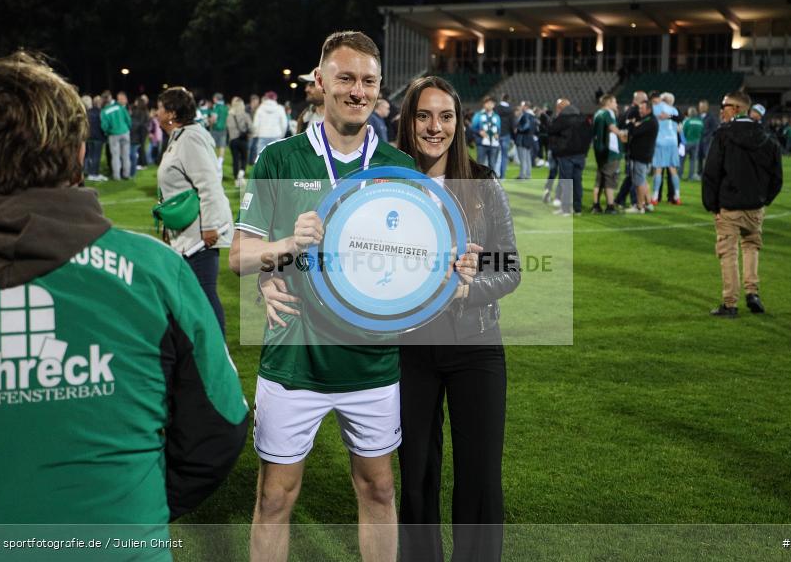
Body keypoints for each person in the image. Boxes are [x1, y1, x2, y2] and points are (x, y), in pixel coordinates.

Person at [0, 53, 248, 542]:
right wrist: (136, 502)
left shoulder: (161, 269)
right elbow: (221, 427)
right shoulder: (156, 270)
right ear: (77, 154)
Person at [230, 31, 414, 562]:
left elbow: (417, 261)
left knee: (379, 489)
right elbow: (239, 255)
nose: (358, 91)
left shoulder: (399, 167)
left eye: (369, 81)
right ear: (320, 82)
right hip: (295, 357)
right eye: (346, 78)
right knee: (274, 497)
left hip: (371, 358)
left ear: (379, 87)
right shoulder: (279, 159)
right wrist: (286, 246)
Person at [394, 75, 519, 562]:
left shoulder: (483, 181)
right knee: (416, 475)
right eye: (424, 115)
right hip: (409, 347)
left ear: (458, 123)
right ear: (408, 121)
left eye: (446, 116)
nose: (435, 127)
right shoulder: (388, 182)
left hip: (475, 345)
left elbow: (509, 265)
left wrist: (469, 286)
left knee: (481, 476)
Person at [156, 87, 234, 333]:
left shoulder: (190, 138)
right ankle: (198, 346)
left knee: (204, 293)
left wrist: (209, 226)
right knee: (191, 295)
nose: (156, 113)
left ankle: (218, 349)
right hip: (187, 231)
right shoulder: (179, 137)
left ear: (171, 113)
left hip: (199, 234)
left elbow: (209, 184)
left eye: (159, 108)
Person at [702, 91, 783, 317]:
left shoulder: (723, 135)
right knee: (751, 247)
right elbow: (777, 178)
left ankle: (730, 303)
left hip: (729, 206)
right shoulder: (767, 138)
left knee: (728, 253)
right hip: (755, 207)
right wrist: (763, 200)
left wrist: (712, 205)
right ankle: (752, 293)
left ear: (736, 109)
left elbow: (711, 173)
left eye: (724, 106)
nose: (721, 110)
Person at [550, 98, 591, 215]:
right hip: (580, 154)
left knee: (566, 181)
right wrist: (585, 151)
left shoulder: (562, 119)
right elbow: (589, 135)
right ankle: (577, 208)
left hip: (566, 154)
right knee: (577, 181)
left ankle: (566, 208)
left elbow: (551, 130)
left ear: (560, 108)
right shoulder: (583, 118)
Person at [591, 94, 624, 213]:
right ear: (608, 102)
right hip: (610, 151)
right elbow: (612, 127)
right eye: (614, 102)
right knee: (610, 179)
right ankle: (610, 206)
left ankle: (596, 205)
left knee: (599, 179)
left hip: (599, 150)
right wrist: (622, 134)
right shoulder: (608, 113)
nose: (616, 104)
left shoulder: (597, 113)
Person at [614, 91, 648, 208]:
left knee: (631, 176)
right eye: (644, 100)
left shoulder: (627, 111)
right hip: (634, 148)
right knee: (635, 176)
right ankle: (635, 202)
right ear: (638, 100)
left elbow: (620, 126)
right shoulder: (635, 112)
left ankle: (619, 199)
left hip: (628, 147)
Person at [626, 98, 658, 214]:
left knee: (639, 182)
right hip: (644, 155)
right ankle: (648, 204)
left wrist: (631, 124)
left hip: (641, 155)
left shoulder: (650, 121)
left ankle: (639, 206)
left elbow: (634, 132)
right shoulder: (648, 120)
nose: (639, 110)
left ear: (649, 109)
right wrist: (635, 125)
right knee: (642, 180)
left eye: (642, 108)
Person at [651, 92, 681, 205]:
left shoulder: (655, 108)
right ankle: (677, 196)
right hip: (673, 142)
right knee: (673, 170)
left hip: (660, 141)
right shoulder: (674, 110)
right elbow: (679, 123)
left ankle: (655, 197)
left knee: (658, 170)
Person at [100, 91, 132, 180]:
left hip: (113, 135)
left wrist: (108, 132)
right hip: (125, 132)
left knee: (115, 156)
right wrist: (127, 128)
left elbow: (104, 126)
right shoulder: (119, 106)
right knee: (126, 155)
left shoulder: (104, 111)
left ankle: (117, 176)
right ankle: (126, 174)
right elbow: (128, 119)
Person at [252, 90, 288, 159]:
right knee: (275, 159)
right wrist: (282, 135)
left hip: (263, 135)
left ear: (266, 98)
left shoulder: (260, 108)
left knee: (261, 159)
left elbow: (256, 123)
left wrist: (256, 134)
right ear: (275, 98)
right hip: (276, 135)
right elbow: (284, 124)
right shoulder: (279, 108)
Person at [470, 96, 501, 171]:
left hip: (493, 143)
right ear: (484, 104)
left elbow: (499, 129)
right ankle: (479, 178)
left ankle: (491, 178)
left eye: (491, 103)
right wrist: (479, 132)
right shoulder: (478, 115)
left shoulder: (496, 116)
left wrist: (497, 134)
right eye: (487, 103)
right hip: (481, 143)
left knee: (492, 164)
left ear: (494, 105)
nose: (489, 105)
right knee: (480, 164)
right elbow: (473, 127)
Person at [228, 96, 252, 186]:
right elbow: (251, 128)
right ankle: (241, 173)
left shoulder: (229, 116)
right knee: (244, 158)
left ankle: (236, 180)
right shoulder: (245, 115)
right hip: (243, 140)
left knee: (235, 159)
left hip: (233, 140)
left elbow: (228, 128)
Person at [84, 94, 108, 182]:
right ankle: (94, 174)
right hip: (98, 137)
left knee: (90, 156)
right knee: (96, 157)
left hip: (89, 137)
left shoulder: (87, 112)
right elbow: (104, 126)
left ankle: (90, 172)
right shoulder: (101, 112)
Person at [295, 67, 325, 134]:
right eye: (307, 85)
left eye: (312, 85)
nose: (306, 90)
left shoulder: (343, 120)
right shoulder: (305, 115)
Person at [514, 101, 536, 180]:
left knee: (522, 158)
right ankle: (528, 174)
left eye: (522, 106)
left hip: (523, 139)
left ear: (526, 106)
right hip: (529, 138)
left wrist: (518, 129)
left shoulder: (526, 115)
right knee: (527, 158)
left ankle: (522, 175)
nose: (521, 107)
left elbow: (526, 126)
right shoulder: (533, 115)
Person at [495, 93, 515, 178]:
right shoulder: (511, 109)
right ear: (508, 99)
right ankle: (502, 176)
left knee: (495, 155)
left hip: (497, 134)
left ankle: (496, 174)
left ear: (502, 98)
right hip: (506, 134)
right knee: (504, 155)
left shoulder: (496, 108)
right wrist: (513, 136)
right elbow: (512, 124)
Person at [697, 100, 718, 177]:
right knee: (699, 157)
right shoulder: (697, 117)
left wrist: (708, 136)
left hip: (707, 141)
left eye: (703, 106)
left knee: (707, 157)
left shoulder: (711, 117)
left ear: (707, 107)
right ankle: (699, 172)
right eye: (700, 106)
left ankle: (707, 173)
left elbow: (714, 128)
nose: (701, 108)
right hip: (698, 140)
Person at [682, 106, 704, 181]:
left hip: (686, 142)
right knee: (693, 160)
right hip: (696, 143)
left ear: (689, 113)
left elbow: (683, 132)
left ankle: (679, 174)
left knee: (682, 159)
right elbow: (702, 132)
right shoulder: (700, 122)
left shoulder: (687, 121)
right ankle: (691, 176)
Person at [210, 92, 229, 165]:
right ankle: (220, 161)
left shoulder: (217, 107)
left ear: (216, 99)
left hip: (215, 129)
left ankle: (213, 160)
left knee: (212, 145)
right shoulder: (225, 107)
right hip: (223, 129)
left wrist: (210, 123)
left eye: (214, 98)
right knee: (222, 146)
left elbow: (213, 118)